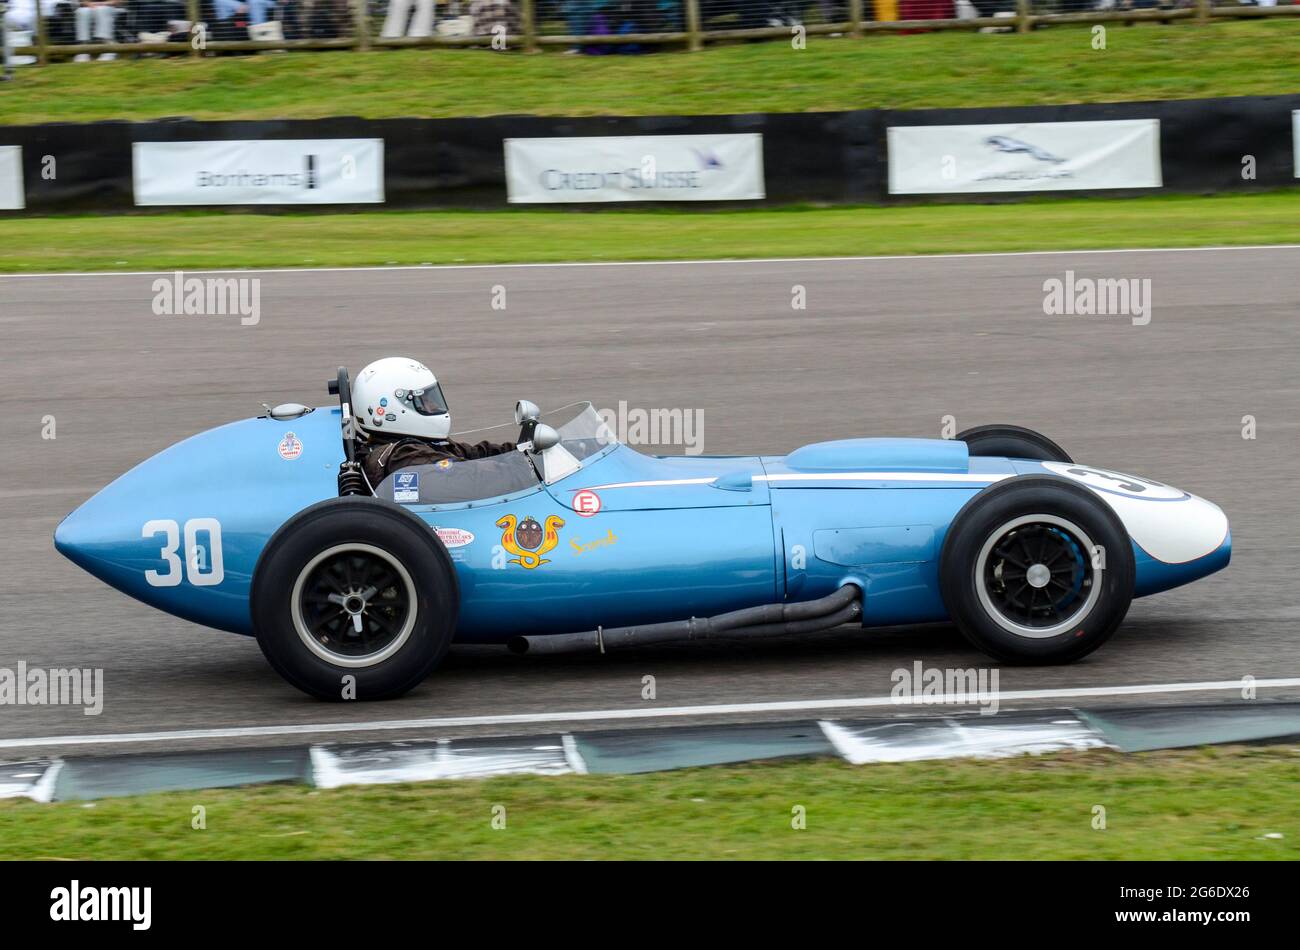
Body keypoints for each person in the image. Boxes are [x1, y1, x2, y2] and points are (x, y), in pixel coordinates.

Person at [353, 356, 517, 486]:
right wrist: (529, 469)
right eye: (423, 400)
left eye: (431, 398)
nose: (432, 405)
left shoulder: (416, 444)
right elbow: (470, 476)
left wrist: (522, 450)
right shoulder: (404, 458)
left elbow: (473, 454)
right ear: (390, 409)